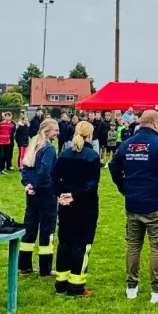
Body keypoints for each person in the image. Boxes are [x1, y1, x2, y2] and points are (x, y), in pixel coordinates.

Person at [109, 109, 158, 303]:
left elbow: (113, 166)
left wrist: (123, 187)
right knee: (157, 247)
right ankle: (157, 290)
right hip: (155, 203)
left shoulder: (127, 144)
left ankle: (131, 287)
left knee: (133, 245)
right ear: (156, 124)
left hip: (133, 203)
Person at [53, 120, 102, 297]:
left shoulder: (64, 154)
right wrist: (74, 195)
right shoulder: (92, 156)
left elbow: (54, 178)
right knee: (82, 244)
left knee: (65, 242)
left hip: (66, 205)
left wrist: (61, 194)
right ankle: (76, 285)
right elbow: (92, 184)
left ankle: (61, 282)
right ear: (90, 135)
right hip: (85, 207)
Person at [19, 118, 59, 276]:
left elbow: (25, 168)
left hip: (31, 194)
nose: (57, 133)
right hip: (46, 193)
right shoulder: (48, 149)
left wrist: (27, 185)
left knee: (30, 228)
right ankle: (45, 268)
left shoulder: (33, 145)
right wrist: (35, 186)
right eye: (55, 130)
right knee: (47, 230)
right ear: (47, 131)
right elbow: (45, 170)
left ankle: (24, 265)